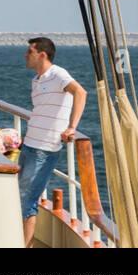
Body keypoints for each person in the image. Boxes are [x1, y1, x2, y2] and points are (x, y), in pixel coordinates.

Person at [19, 37, 86, 247]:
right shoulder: (38, 79)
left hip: (44, 149)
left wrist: (72, 127)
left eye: (29, 51)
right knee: (19, 196)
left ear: (42, 54)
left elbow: (80, 92)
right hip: (29, 144)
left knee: (27, 201)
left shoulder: (58, 74)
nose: (25, 55)